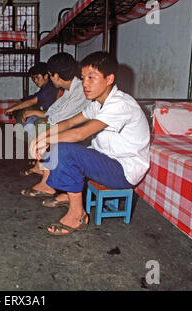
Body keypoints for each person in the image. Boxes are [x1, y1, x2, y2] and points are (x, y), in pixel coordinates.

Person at [30, 51, 150, 235]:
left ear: (109, 79)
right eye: (83, 77)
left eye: (91, 78)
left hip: (123, 170)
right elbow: (70, 122)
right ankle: (71, 195)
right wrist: (42, 135)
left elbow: (79, 133)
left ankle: (78, 215)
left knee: (64, 150)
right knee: (61, 144)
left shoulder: (120, 104)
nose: (85, 83)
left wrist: (45, 140)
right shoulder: (97, 103)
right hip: (106, 159)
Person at [20, 52, 89, 192]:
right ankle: (42, 168)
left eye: (51, 75)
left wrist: (46, 121)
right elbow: (53, 110)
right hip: (73, 125)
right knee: (42, 124)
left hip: (83, 132)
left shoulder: (79, 90)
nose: (51, 79)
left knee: (45, 127)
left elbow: (59, 118)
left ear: (56, 76)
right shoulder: (70, 89)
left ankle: (47, 183)